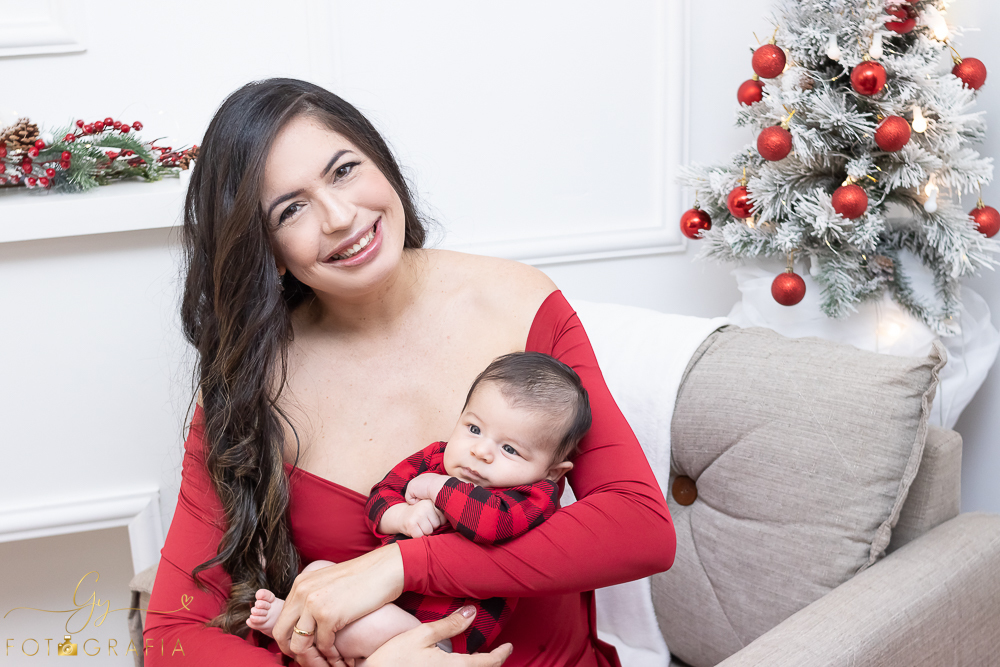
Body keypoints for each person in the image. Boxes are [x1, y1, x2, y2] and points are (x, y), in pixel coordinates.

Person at [144, 77, 676, 667]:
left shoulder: (519, 303)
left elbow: (640, 528)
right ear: (264, 248)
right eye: (291, 209)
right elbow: (175, 633)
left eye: (344, 170)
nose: (341, 217)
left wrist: (397, 566)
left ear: (381, 162)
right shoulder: (254, 383)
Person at [246, 351, 591, 659]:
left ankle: (293, 631)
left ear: (551, 472)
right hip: (377, 597)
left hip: (436, 634)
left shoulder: (533, 496)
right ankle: (306, 628)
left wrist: (439, 488)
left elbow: (492, 523)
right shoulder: (436, 456)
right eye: (473, 428)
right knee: (320, 571)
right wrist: (402, 515)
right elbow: (381, 496)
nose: (481, 452)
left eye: (510, 449)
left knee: (370, 626)